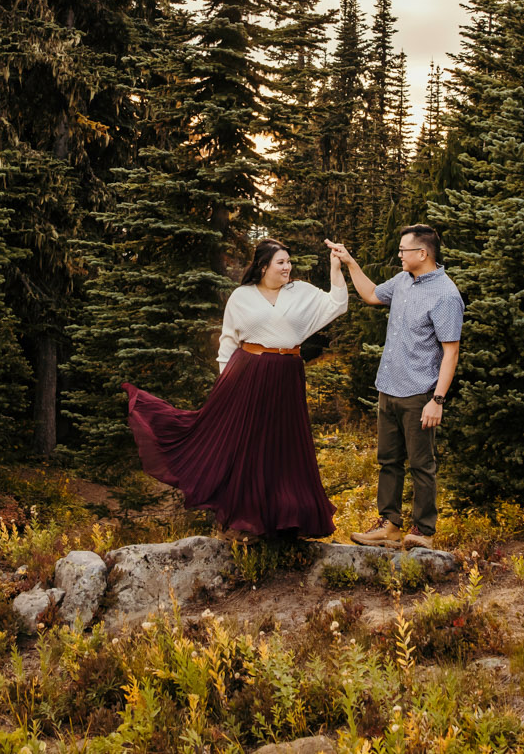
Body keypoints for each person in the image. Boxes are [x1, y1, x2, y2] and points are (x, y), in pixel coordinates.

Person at [124, 239, 351, 540]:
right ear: (263, 266)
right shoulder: (242, 296)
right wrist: (225, 387)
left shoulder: (301, 293)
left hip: (287, 375)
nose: (288, 267)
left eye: (288, 262)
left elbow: (338, 304)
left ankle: (285, 521)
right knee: (249, 447)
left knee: (285, 446)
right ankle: (246, 521)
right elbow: (228, 342)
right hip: (248, 374)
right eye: (281, 262)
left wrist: (337, 268)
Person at [328, 225, 462, 549]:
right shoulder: (403, 281)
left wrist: (437, 400)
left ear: (422, 254)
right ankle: (389, 525)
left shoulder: (446, 295)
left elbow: (451, 351)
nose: (399, 254)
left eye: (403, 250)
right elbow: (372, 294)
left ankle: (423, 532)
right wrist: (349, 263)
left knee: (421, 465)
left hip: (419, 395)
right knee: (388, 461)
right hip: (388, 388)